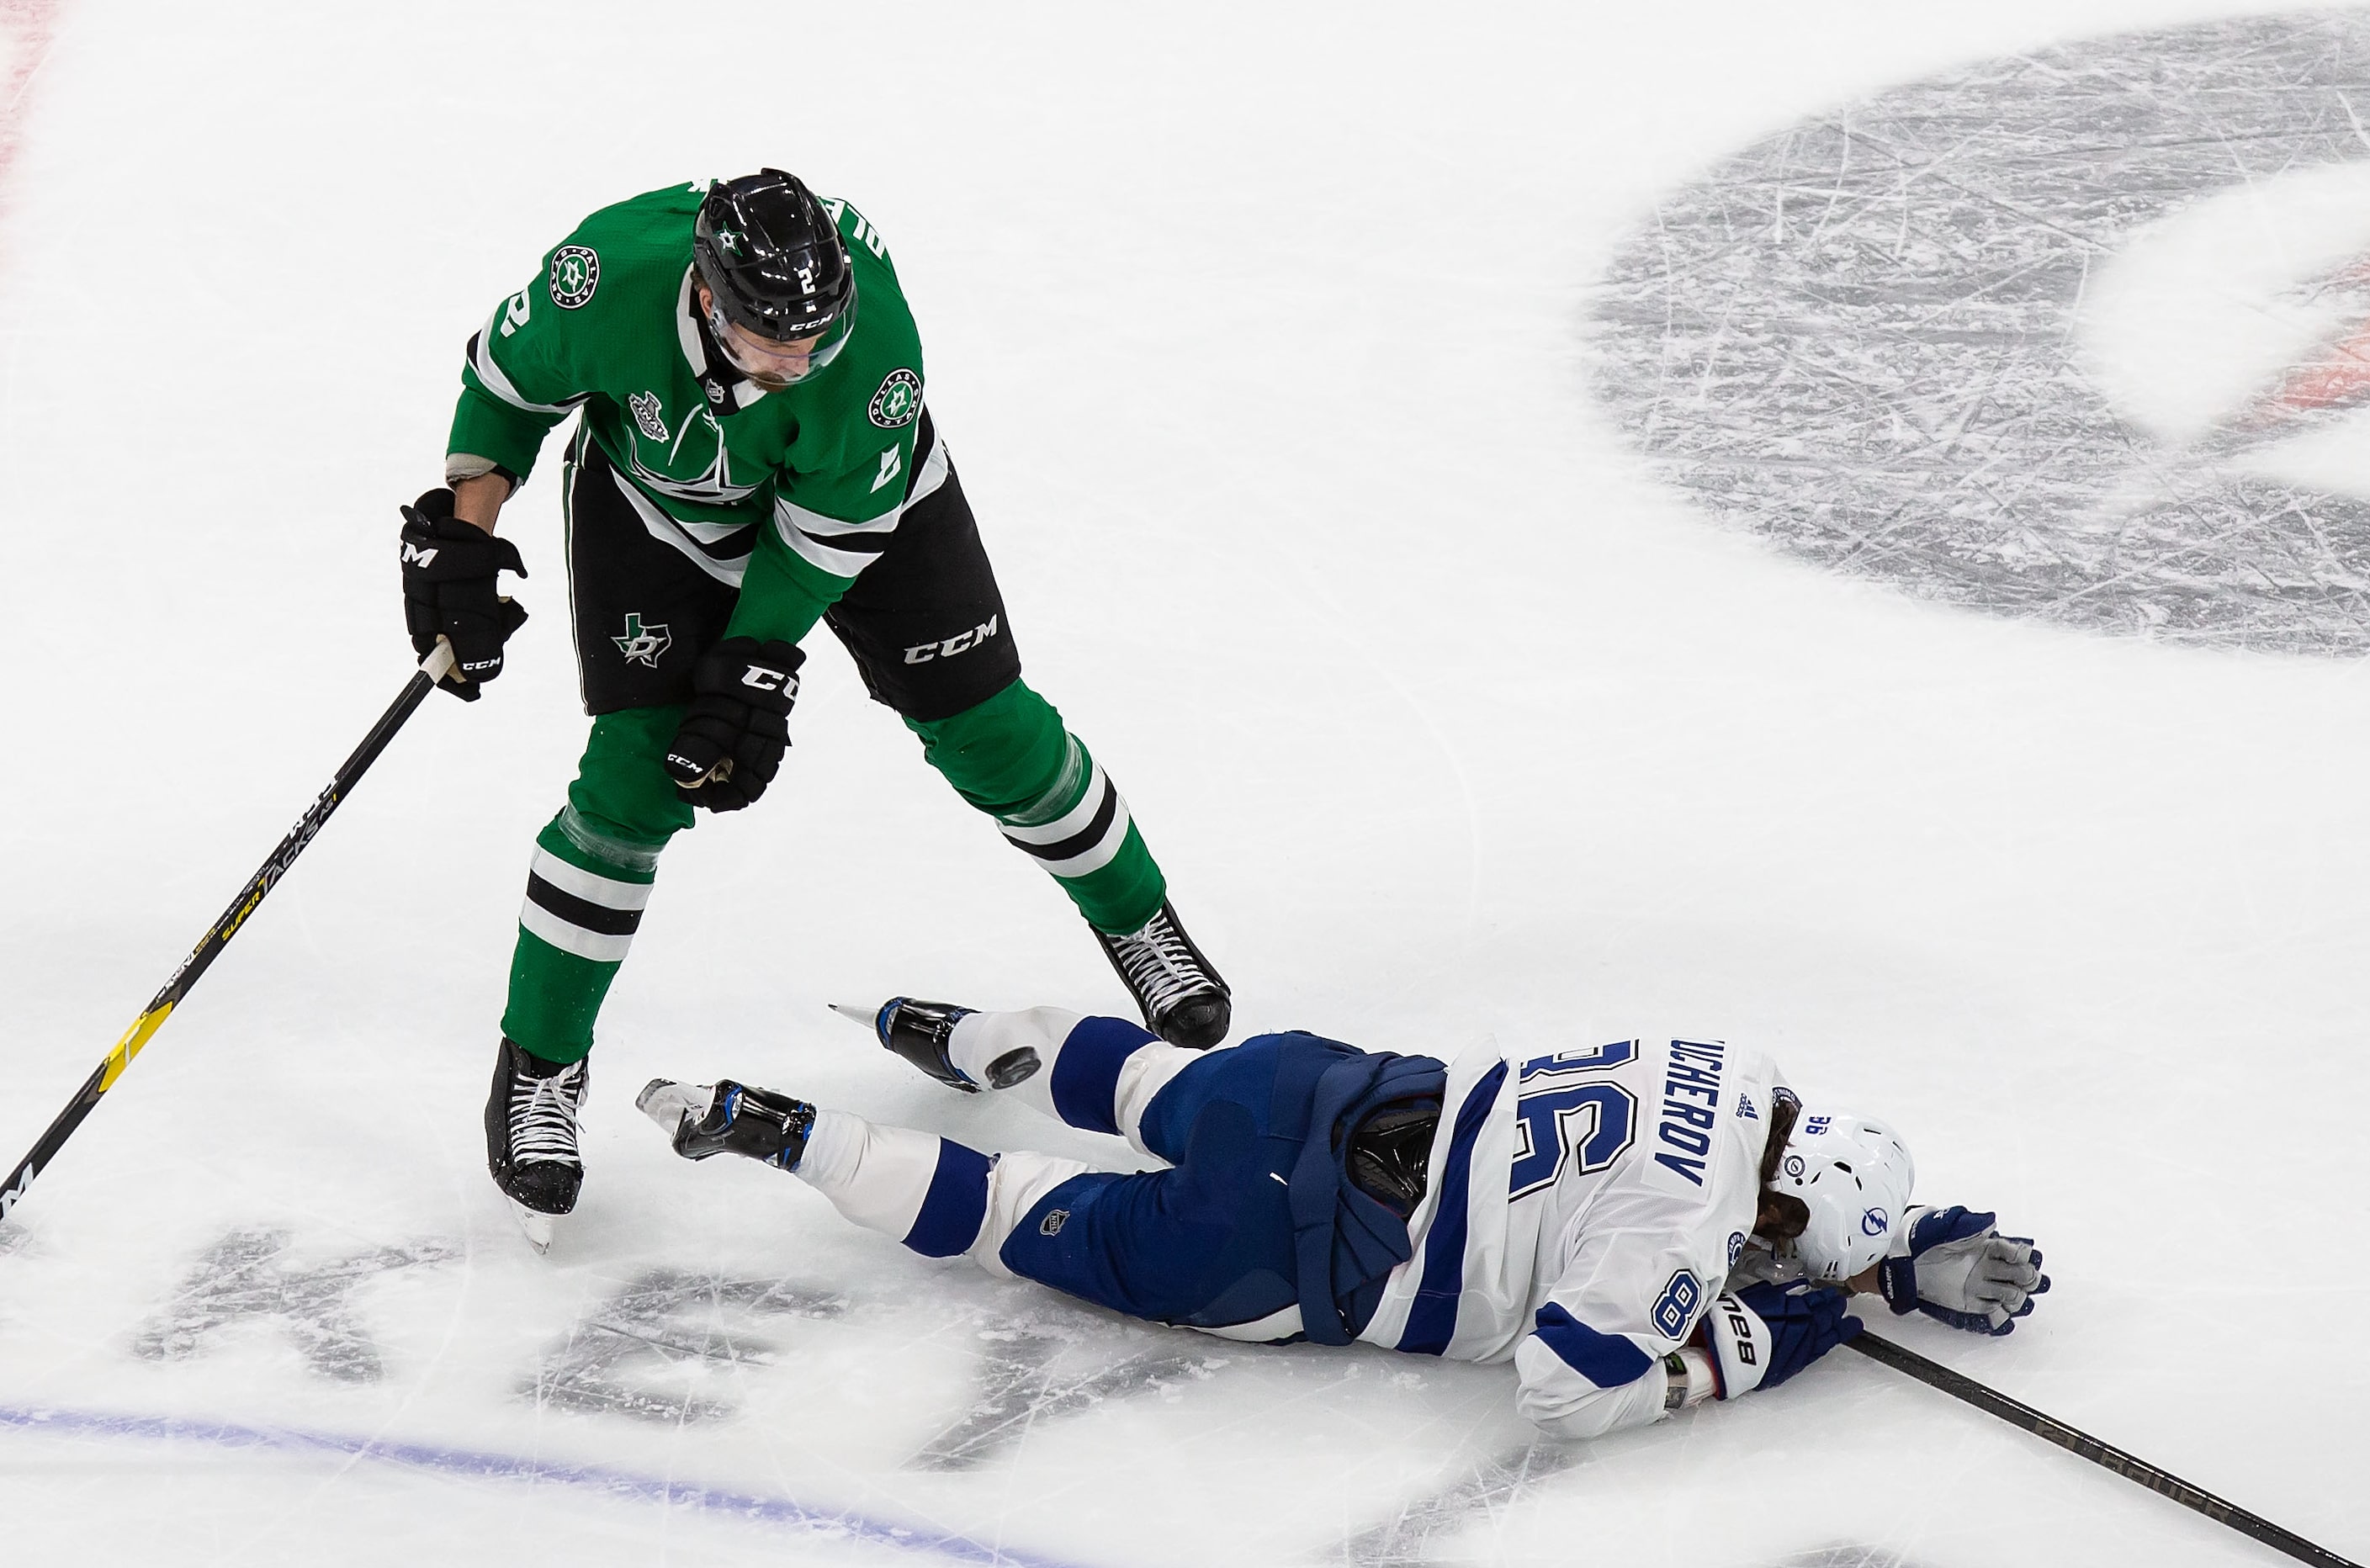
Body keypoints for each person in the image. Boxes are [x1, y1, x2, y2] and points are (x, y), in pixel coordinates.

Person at [396, 171, 1232, 1240]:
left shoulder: (869, 350)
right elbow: (507, 391)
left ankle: (1139, 921)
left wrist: (752, 666)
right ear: (705, 294)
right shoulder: (602, 276)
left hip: (860, 516)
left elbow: (819, 543)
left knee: (987, 729)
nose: (800, 363)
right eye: (770, 343)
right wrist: (468, 536)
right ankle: (539, 1068)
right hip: (661, 518)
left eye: (815, 340)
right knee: (628, 787)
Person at [634, 999, 2048, 1438]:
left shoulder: (1735, 1062)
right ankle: (782, 1131)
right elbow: (1568, 1384)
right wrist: (1739, 1348)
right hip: (1282, 1253)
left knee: (1150, 1078)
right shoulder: (1676, 1248)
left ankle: (966, 1026)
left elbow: (1726, 1184)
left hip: (1298, 1090)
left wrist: (1877, 1253)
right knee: (1009, 1211)